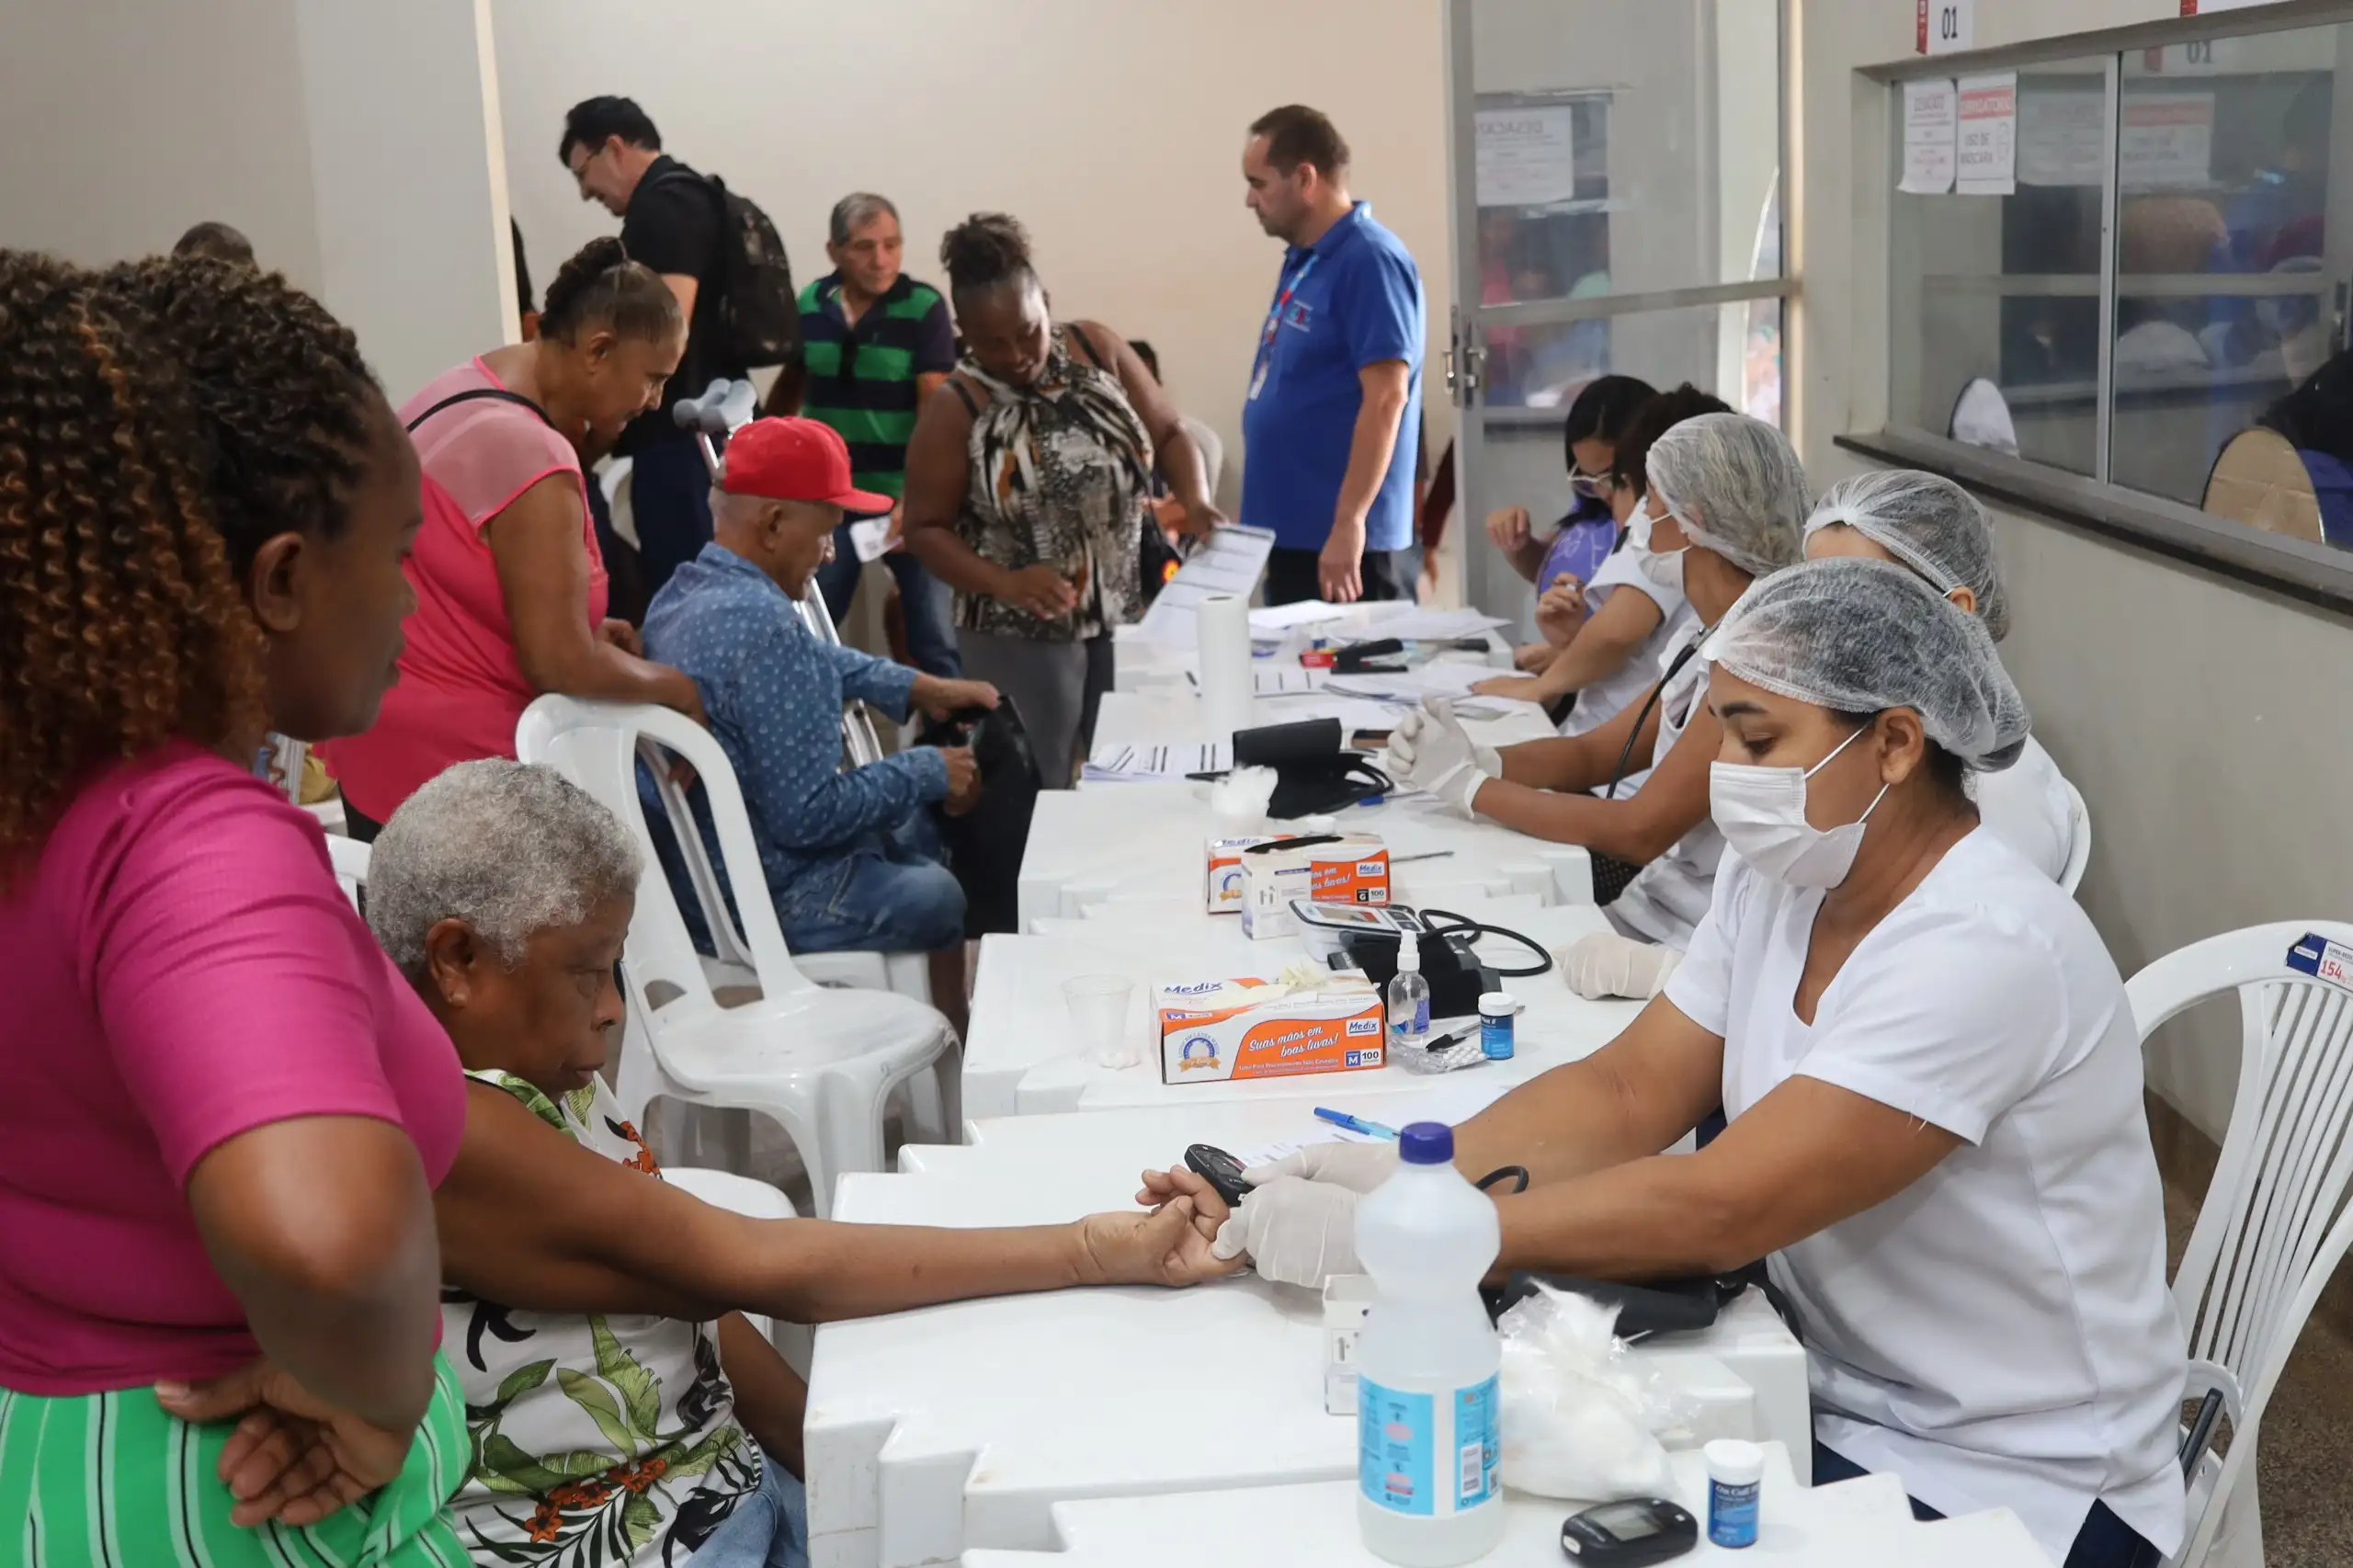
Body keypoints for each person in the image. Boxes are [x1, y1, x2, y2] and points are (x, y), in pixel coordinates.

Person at [1154, 562, 2185, 1568]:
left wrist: (1414, 1238)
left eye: (1757, 737)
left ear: (1896, 744)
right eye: (1721, 730)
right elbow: (1627, 1089)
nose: (1726, 773)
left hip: (2022, 1479)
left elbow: (1723, 1206)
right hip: (1819, 1385)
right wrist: (1415, 1172)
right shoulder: (1784, 875)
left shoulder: (1986, 946)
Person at [371, 759, 1240, 1567]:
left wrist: (834, 1494)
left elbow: (697, 1314)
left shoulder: (537, 1071)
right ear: (458, 960)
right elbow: (751, 1269)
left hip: (717, 1484)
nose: (609, 1010)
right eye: (586, 973)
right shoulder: (450, 1129)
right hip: (648, 1539)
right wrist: (1084, 1251)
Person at [0, 252, 469, 1562]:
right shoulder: (187, 843)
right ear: (276, 579)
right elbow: (322, 1231)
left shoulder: (41, 808)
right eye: (396, 553)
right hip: (242, 1490)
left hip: (60, 1461)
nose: (410, 601)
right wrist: (379, 1393)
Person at [1390, 414, 1809, 992]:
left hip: (1689, 947)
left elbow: (1640, 828)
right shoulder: (1707, 637)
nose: (1637, 519)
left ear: (1695, 522)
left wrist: (1469, 788)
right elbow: (1594, 753)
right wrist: (1482, 758)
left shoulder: (1758, 660)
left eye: (1651, 501)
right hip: (1649, 910)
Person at [322, 238, 705, 840]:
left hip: (380, 740)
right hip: (456, 781)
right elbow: (559, 664)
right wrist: (678, 690)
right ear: (599, 351)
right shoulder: (531, 453)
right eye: (652, 380)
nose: (654, 402)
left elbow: (445, 577)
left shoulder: (460, 385)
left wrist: (577, 628)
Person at [645, 418, 1002, 1026]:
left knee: (909, 833)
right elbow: (808, 817)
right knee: (939, 891)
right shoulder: (771, 630)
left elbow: (815, 659)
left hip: (697, 889)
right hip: (768, 900)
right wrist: (925, 769)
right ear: (776, 523)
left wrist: (918, 686)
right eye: (827, 532)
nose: (832, 553)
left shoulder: (681, 595)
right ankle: (957, 1044)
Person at [902, 213, 1222, 788]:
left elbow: (1172, 433)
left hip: (1125, 611)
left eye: (1028, 330)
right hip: (1017, 630)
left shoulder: (1096, 348)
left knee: (1133, 775)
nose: (1018, 354)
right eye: (993, 343)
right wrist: (1004, 581)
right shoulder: (957, 406)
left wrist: (1194, 499)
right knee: (1036, 790)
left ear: (1046, 301)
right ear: (964, 331)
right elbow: (925, 529)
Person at [1802, 470, 2079, 882]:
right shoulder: (1849, 738)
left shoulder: (2002, 796)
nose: (1822, 631)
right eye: (1808, 598)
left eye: (1857, 601)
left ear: (1955, 611)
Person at [766, 191, 962, 678]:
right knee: (811, 628)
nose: (881, 260)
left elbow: (935, 414)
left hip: (907, 503)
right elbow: (790, 390)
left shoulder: (923, 308)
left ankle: (954, 746)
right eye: (864, 247)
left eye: (892, 245)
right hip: (832, 502)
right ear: (834, 250)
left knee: (935, 640)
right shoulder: (812, 302)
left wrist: (916, 502)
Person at [561, 96, 749, 598]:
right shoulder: (696, 195)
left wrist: (597, 437)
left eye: (582, 172)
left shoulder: (664, 206)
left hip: (680, 437)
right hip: (707, 428)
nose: (584, 192)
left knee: (688, 599)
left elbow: (664, 336)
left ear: (614, 148)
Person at [1239, 104, 1426, 605]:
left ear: (1305, 178)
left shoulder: (1369, 260)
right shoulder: (1306, 259)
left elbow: (1387, 397)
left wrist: (1350, 521)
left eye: (1258, 183)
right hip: (1295, 535)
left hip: (1346, 546)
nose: (1249, 199)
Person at [1476, 387, 1728, 744]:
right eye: (1589, 481)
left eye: (1615, 482)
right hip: (1596, 744)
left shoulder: (1661, 524)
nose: (1606, 496)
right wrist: (1567, 646)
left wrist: (1541, 688)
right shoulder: (1693, 636)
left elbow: (1617, 632)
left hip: (1601, 751)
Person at [1485, 373, 1655, 595]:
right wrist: (1519, 545)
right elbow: (1554, 568)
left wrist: (1570, 630)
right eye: (1588, 478)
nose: (1602, 492)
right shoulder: (1595, 506)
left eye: (1610, 477)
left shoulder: (1663, 525)